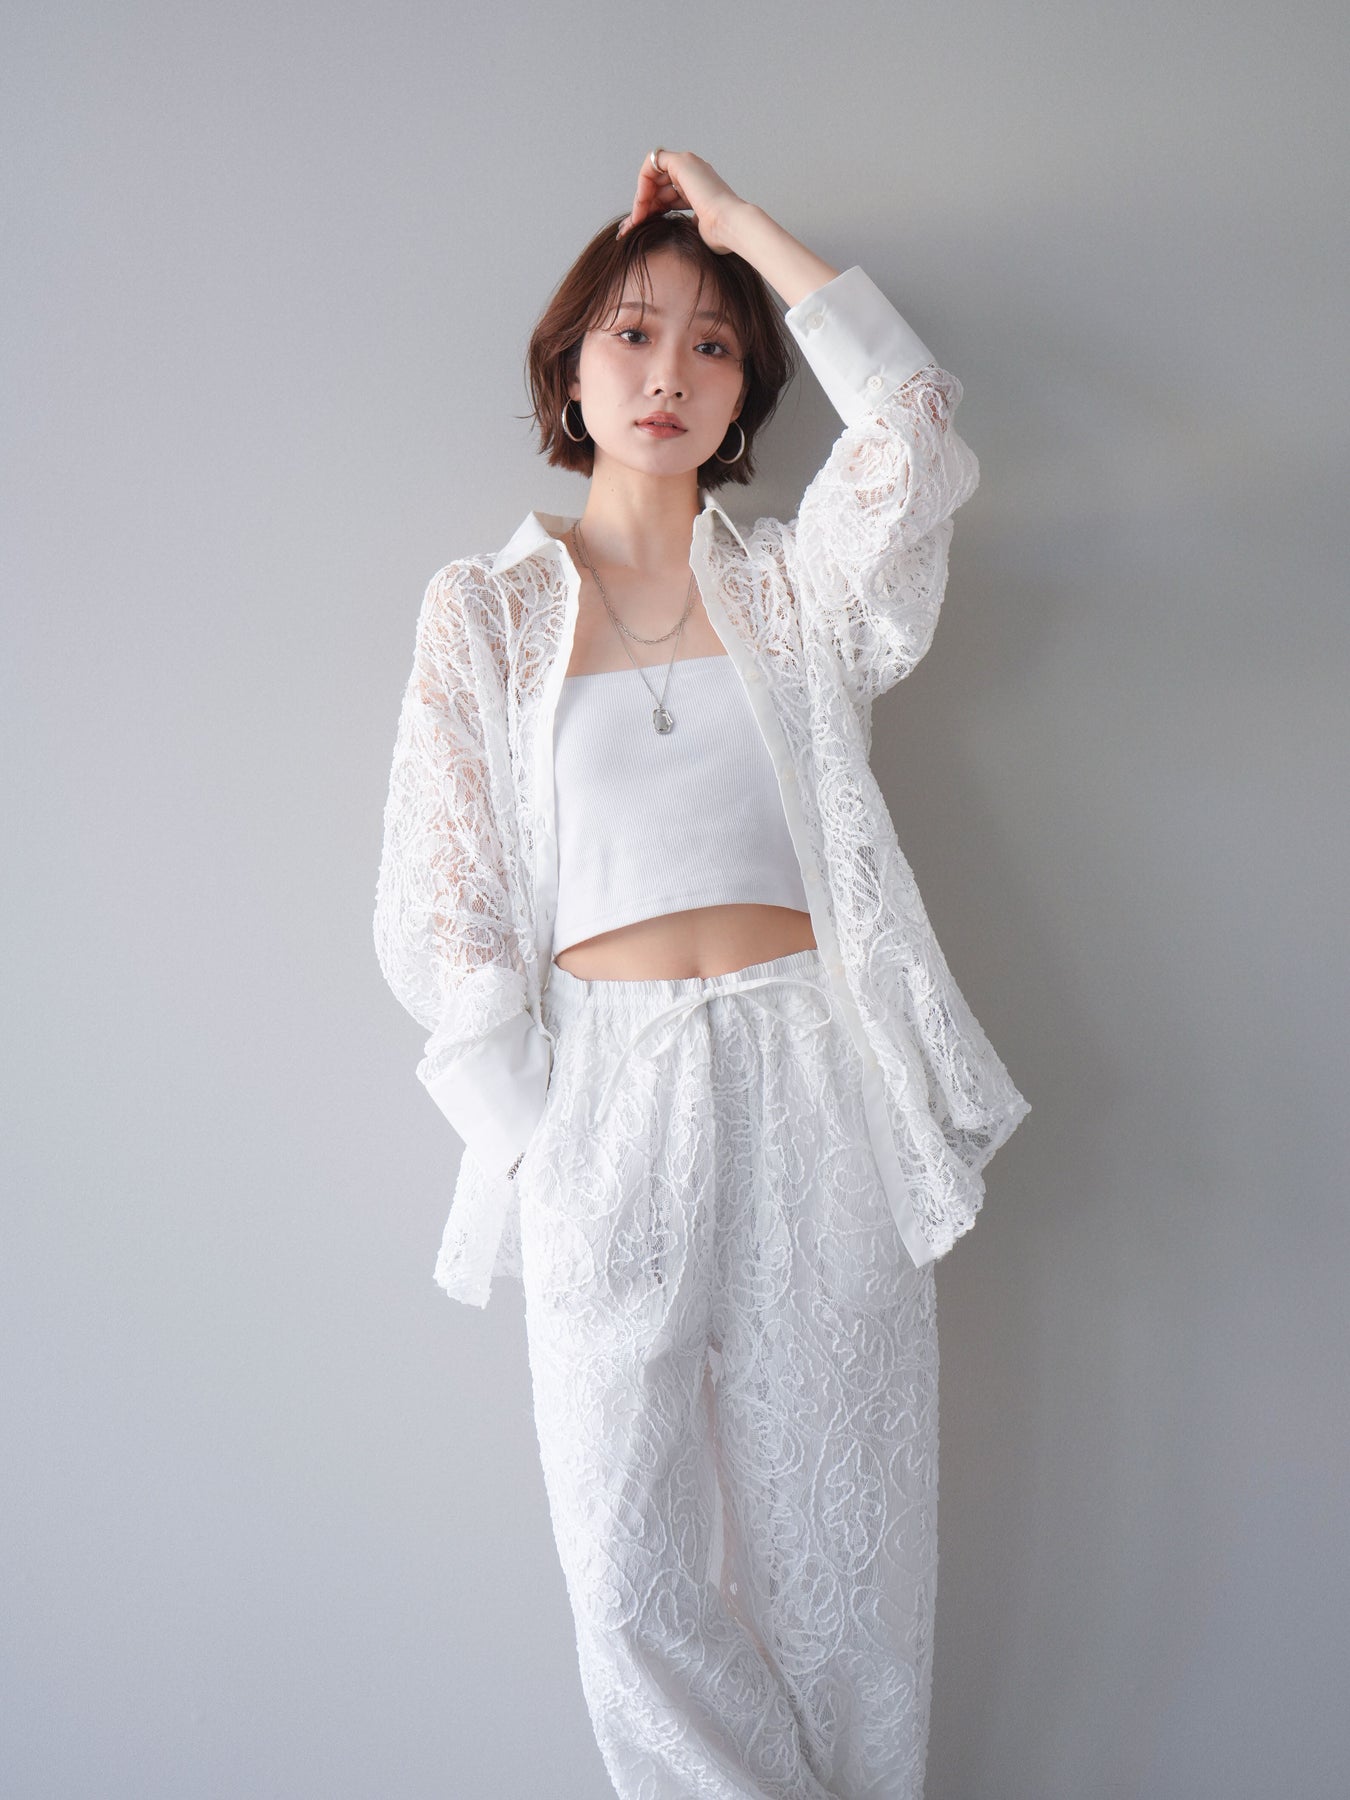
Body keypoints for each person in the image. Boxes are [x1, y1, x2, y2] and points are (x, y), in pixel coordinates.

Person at [373, 148, 1029, 1800]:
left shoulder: (796, 593)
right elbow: (447, 902)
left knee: (847, 1561)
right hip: (600, 1095)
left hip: (814, 1072)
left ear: (744, 396)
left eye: (712, 343)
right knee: (626, 1578)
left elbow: (913, 435)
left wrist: (737, 230)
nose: (667, 370)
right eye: (631, 332)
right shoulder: (486, 613)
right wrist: (538, 1132)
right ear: (566, 369)